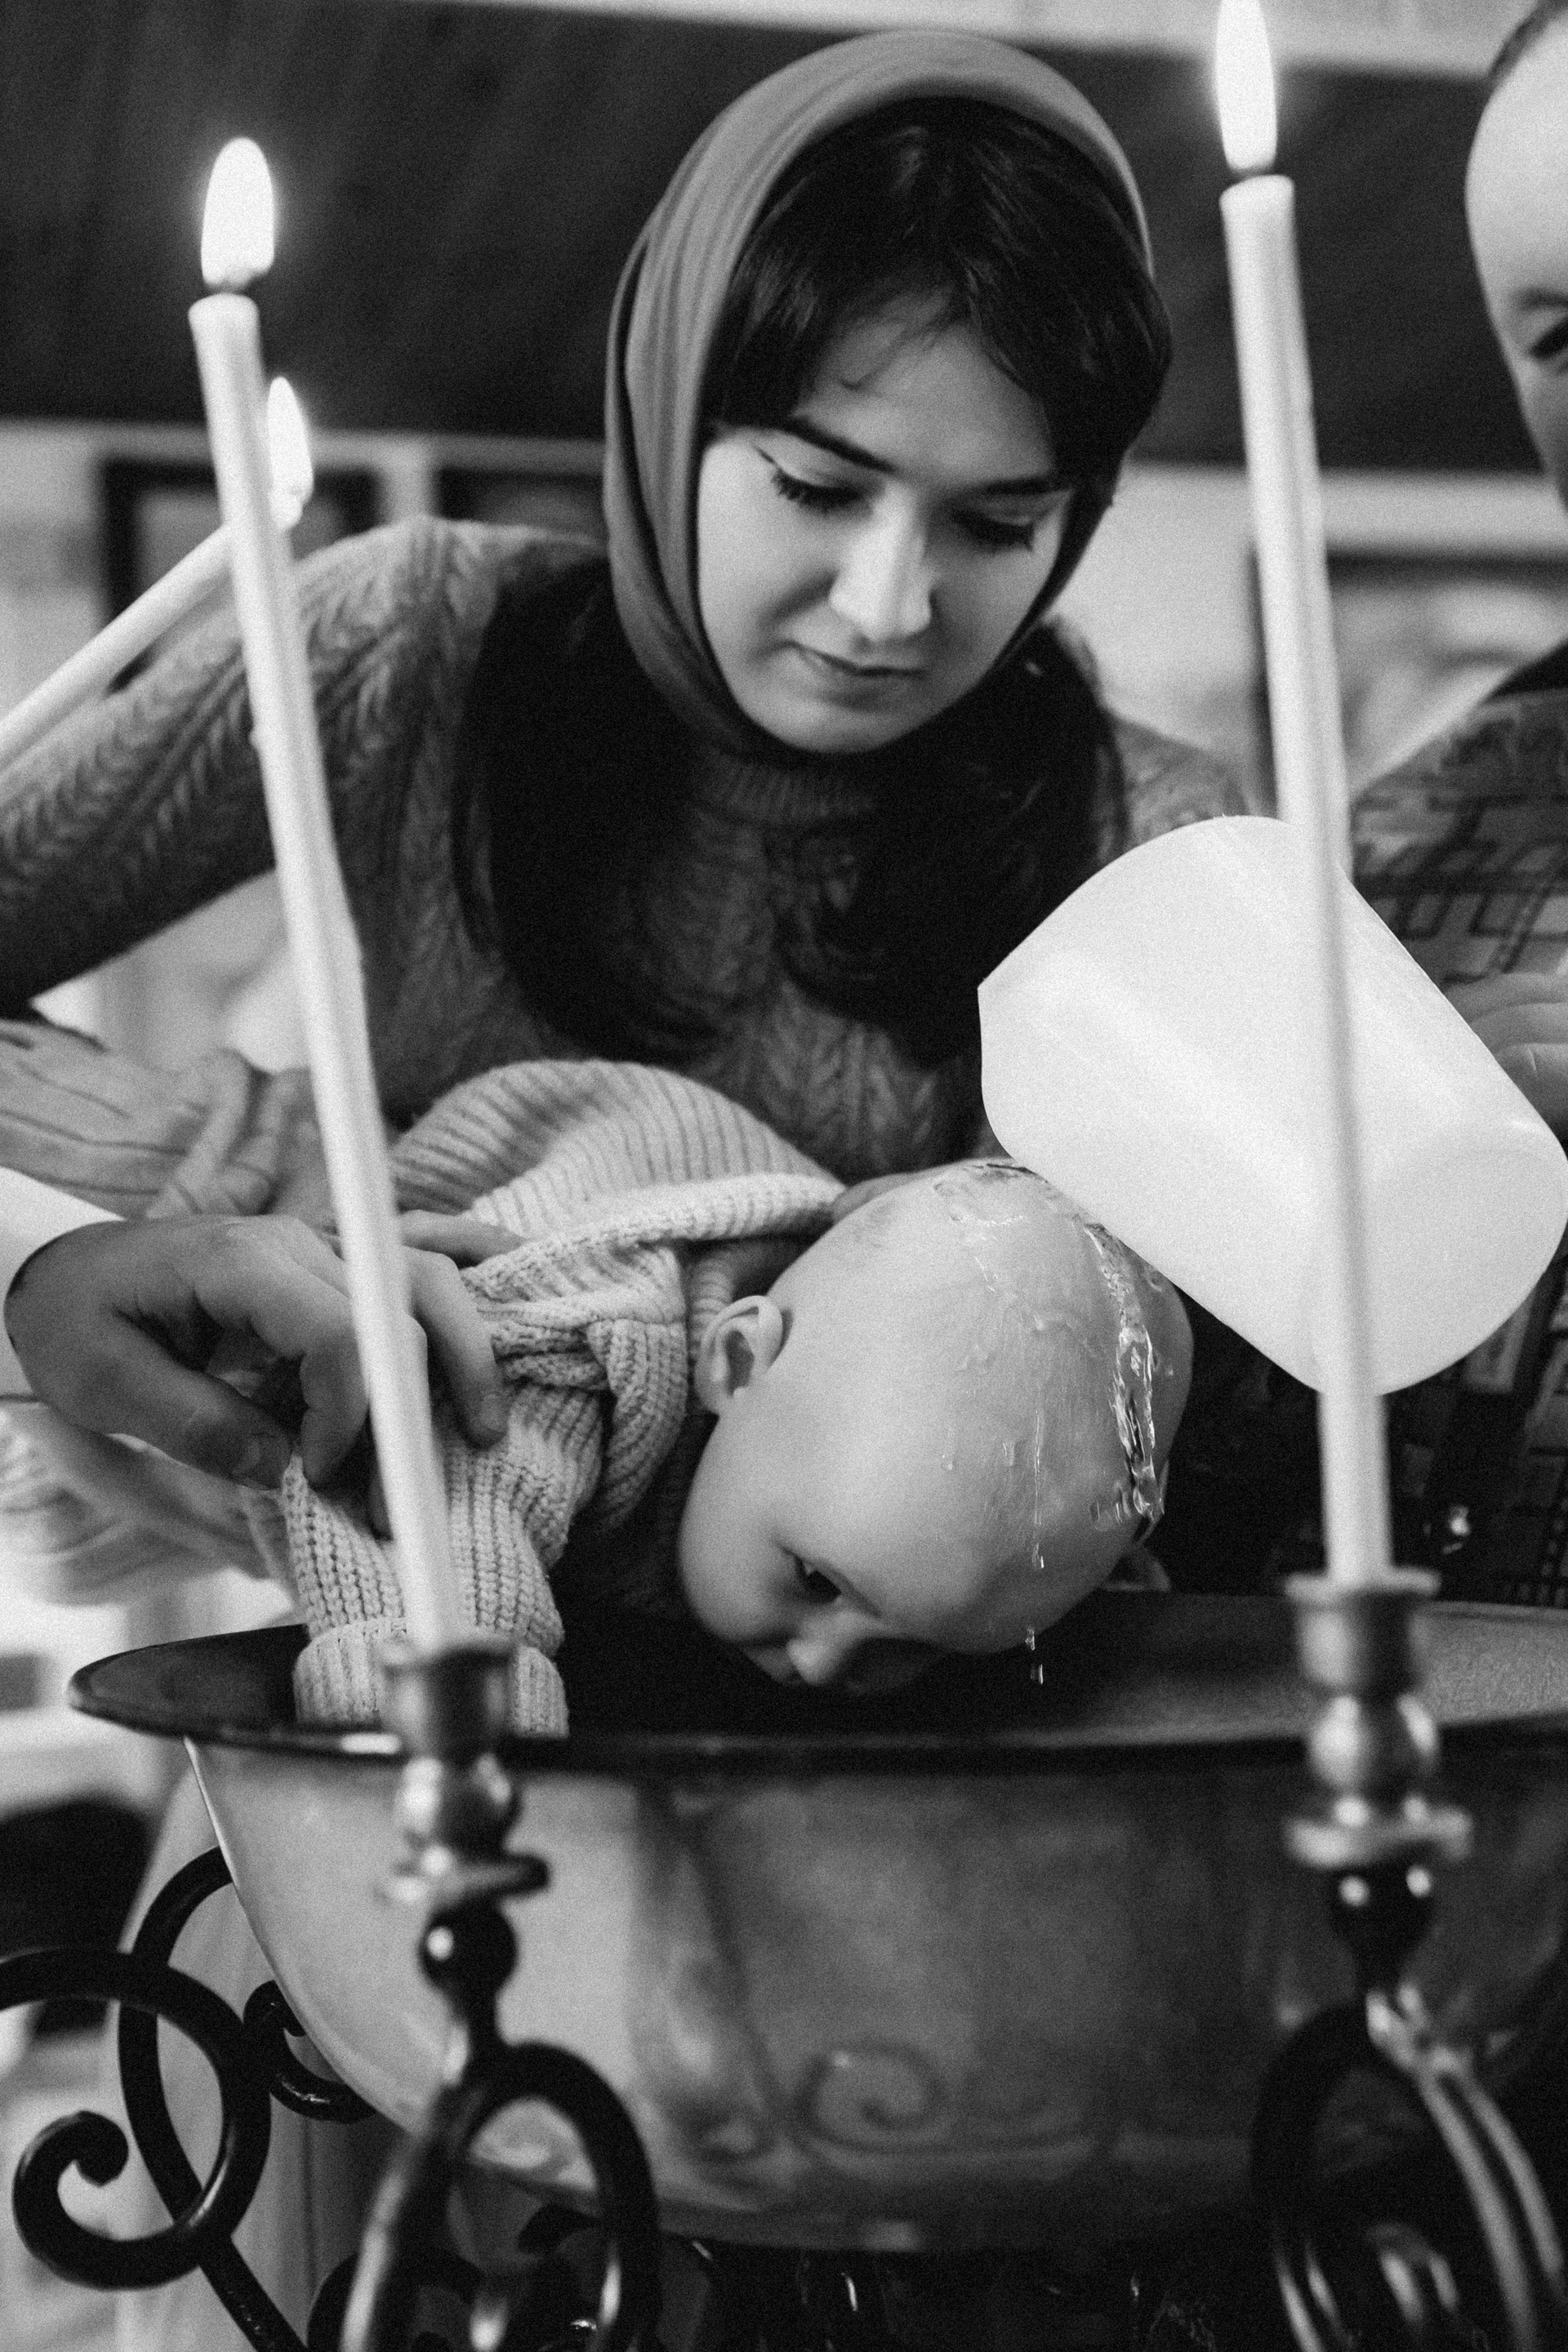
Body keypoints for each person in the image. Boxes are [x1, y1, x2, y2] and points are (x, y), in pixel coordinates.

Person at [0, 30, 1241, 1540]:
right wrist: (154, 1221)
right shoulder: (410, 640)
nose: (886, 607)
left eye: (997, 522)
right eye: (816, 487)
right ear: (669, 409)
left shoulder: (1163, 848)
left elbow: (1182, 1413)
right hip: (403, 1585)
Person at [0, 1036, 1189, 1723]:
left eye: (913, 1646)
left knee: (67, 1525)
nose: (829, 1663)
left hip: (152, 1465)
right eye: (818, 1582)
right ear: (734, 1358)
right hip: (174, 1183)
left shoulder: (878, 1454)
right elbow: (425, 1514)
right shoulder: (583, 1349)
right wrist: (470, 1732)